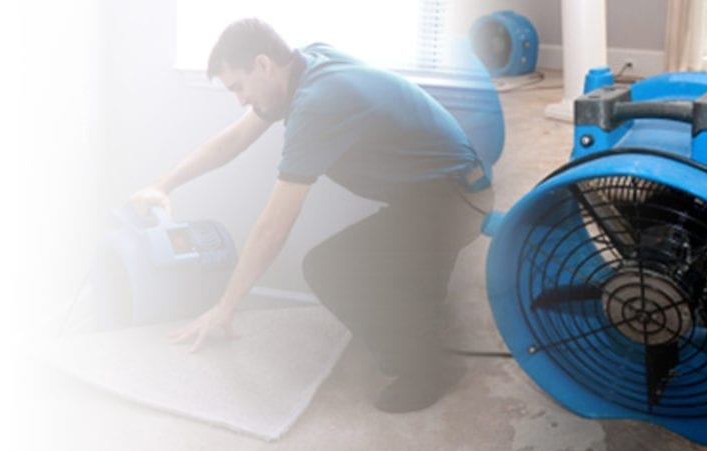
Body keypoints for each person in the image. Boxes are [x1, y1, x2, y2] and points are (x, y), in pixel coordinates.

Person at [130, 17, 493, 413]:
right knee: (394, 271)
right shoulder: (306, 65)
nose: (239, 100)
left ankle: (424, 371)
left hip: (453, 203)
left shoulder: (317, 105)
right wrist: (163, 184)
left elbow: (273, 228)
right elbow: (233, 139)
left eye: (238, 86)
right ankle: (421, 312)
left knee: (328, 268)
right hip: (441, 191)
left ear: (264, 65)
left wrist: (226, 305)